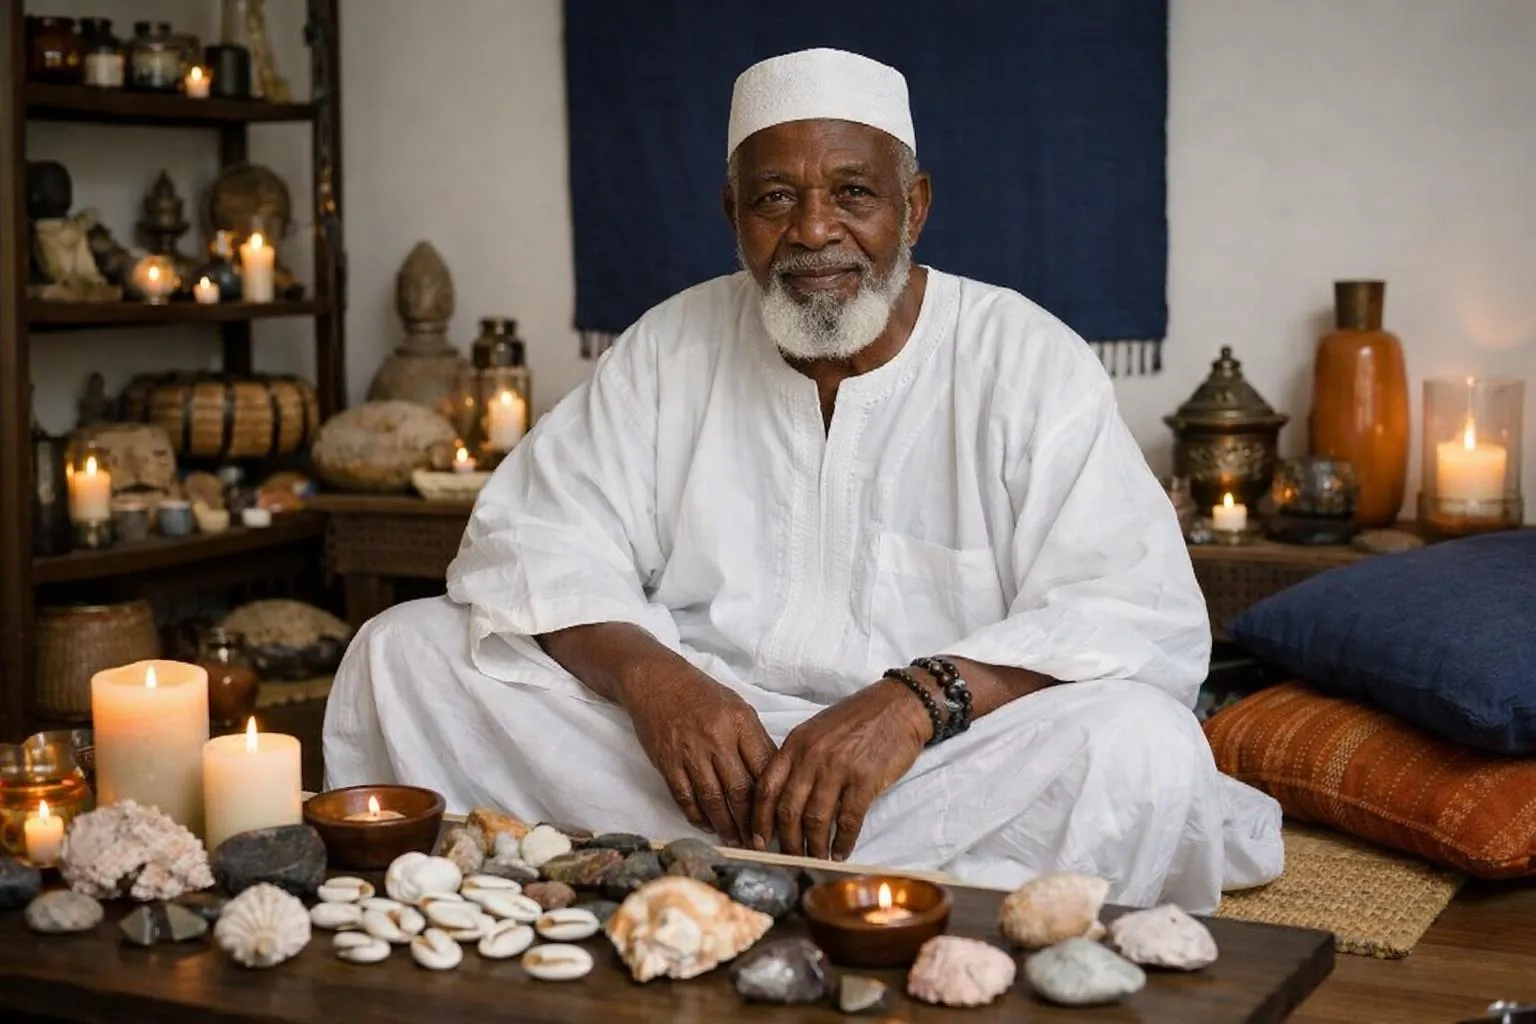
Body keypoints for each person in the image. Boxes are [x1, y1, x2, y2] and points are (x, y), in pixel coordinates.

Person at [325, 47, 1283, 912]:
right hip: (697, 756)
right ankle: (789, 873)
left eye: (853, 195)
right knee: (402, 654)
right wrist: (657, 681)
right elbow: (536, 541)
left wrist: (914, 702)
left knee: (1139, 743)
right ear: (732, 212)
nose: (812, 231)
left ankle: (693, 877)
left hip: (934, 763)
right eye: (775, 198)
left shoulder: (1025, 358)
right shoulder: (670, 345)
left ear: (913, 207)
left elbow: (1125, 606)